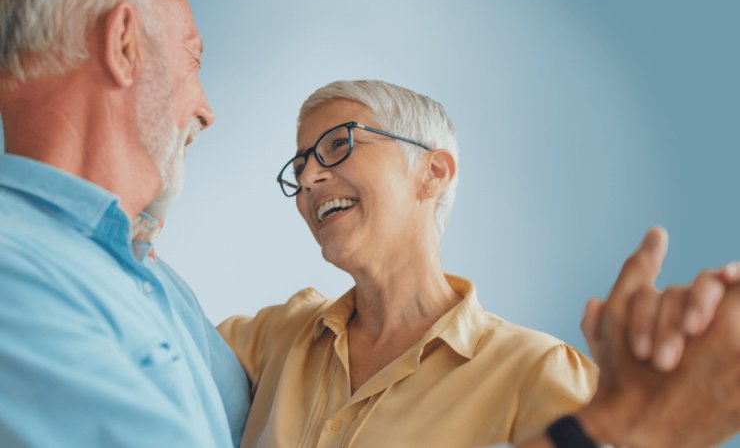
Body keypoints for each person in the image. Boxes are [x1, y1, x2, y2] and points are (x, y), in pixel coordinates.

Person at [218, 80, 740, 448]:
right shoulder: (275, 337)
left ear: (433, 172)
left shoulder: (533, 372)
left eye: (338, 144)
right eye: (301, 163)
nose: (309, 178)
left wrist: (646, 408)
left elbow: (623, 431)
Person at [0, 0, 249, 446]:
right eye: (193, 59)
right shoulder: (14, 269)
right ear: (125, 46)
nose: (207, 110)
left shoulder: (160, 282)